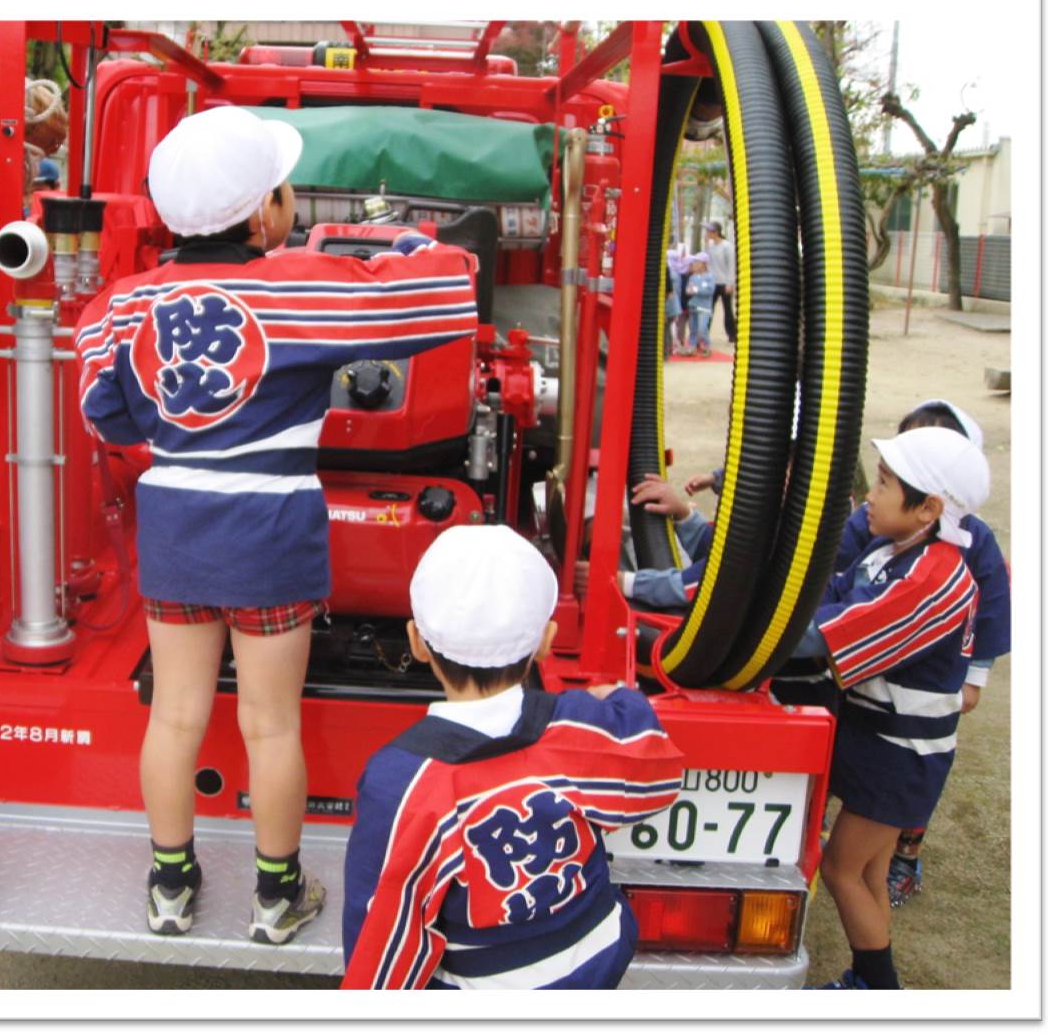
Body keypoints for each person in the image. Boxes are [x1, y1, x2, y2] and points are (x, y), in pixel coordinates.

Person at [73, 104, 481, 945]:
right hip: (271, 534)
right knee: (270, 723)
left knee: (175, 717)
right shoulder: (300, 284)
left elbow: (105, 417)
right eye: (285, 191)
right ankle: (275, 896)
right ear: (263, 213)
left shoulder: (121, 304)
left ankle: (171, 888)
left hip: (176, 525)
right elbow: (441, 302)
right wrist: (409, 244)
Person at [627, 427, 988, 990]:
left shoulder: (933, 577)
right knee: (866, 871)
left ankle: (876, 986)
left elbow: (821, 631)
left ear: (929, 508)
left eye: (887, 486)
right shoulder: (890, 553)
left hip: (900, 757)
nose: (870, 495)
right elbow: (818, 595)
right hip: (879, 743)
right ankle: (871, 981)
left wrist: (730, 629)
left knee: (844, 869)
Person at [340, 525, 684, 989]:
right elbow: (656, 778)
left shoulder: (401, 780)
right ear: (546, 640)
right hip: (598, 960)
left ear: (417, 643)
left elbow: (384, 929)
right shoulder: (580, 726)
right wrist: (620, 701)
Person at [833, 400, 1010, 910]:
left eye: (891, 480)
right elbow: (842, 573)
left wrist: (975, 676)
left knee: (877, 829)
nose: (876, 491)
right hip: (880, 700)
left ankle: (907, 857)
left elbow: (992, 610)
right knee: (870, 829)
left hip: (914, 713)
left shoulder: (960, 551)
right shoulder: (877, 532)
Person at [703, 220, 736, 345]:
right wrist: (705, 244)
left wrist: (730, 283)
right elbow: (706, 260)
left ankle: (732, 334)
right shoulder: (711, 247)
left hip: (724, 282)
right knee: (708, 308)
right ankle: (705, 333)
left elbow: (731, 265)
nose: (707, 233)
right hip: (713, 282)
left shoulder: (727, 246)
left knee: (727, 309)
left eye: (709, 231)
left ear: (715, 232)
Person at [684, 252, 714, 357]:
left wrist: (696, 290)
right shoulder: (693, 277)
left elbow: (710, 291)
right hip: (693, 305)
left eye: (698, 262)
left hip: (704, 307)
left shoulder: (710, 277)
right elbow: (688, 289)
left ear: (704, 263)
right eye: (695, 262)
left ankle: (707, 346)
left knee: (702, 327)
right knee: (693, 328)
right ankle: (692, 347)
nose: (695, 264)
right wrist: (689, 290)